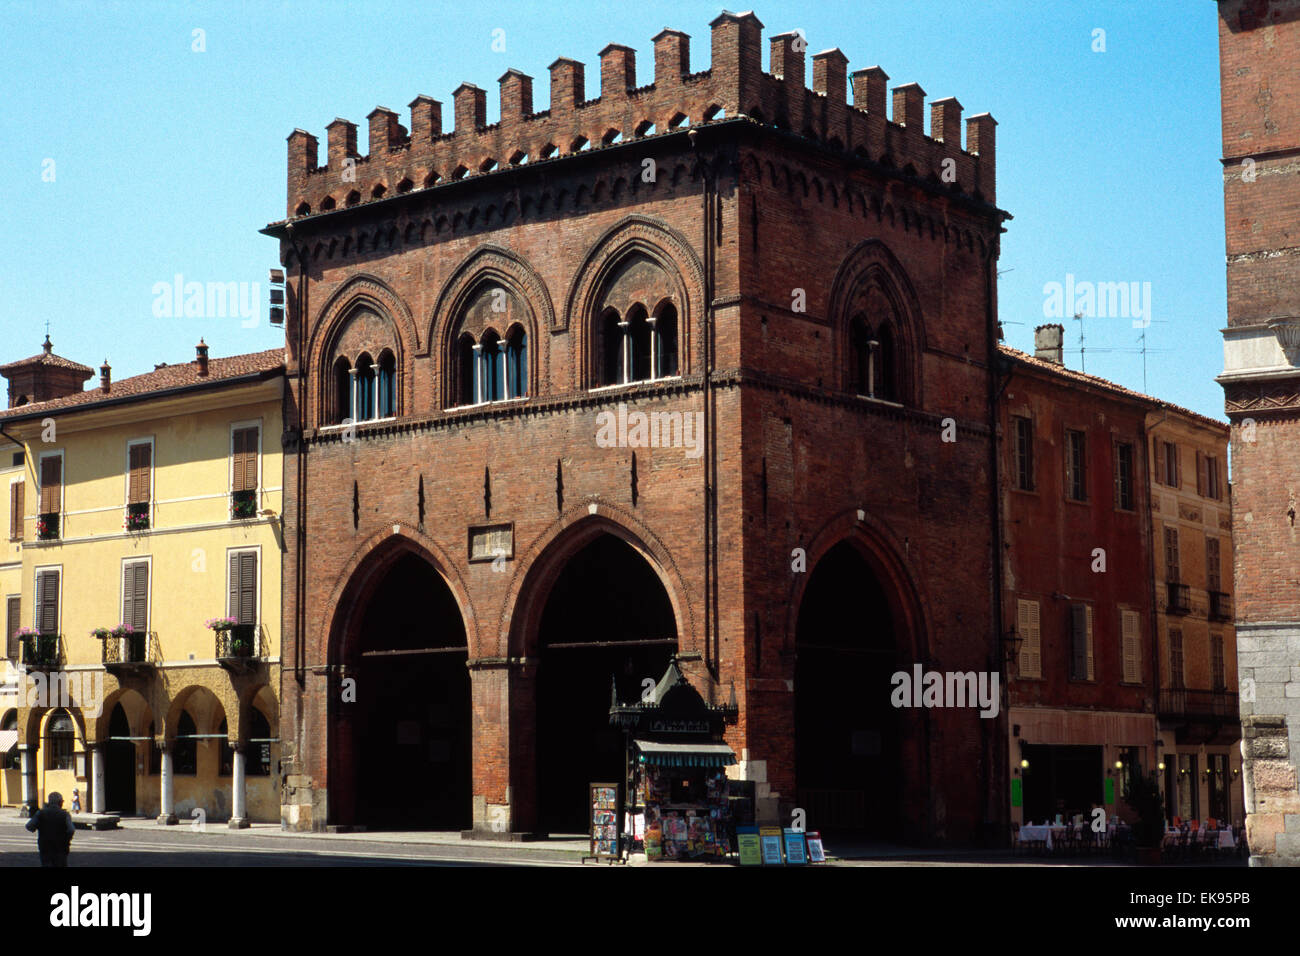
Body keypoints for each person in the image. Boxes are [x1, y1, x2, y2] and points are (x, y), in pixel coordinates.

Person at [25, 792, 75, 867]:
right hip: (61, 846)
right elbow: (71, 829)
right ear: (60, 802)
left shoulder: (41, 813)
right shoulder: (65, 814)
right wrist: (68, 838)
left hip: (45, 845)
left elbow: (29, 826)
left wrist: (38, 826)